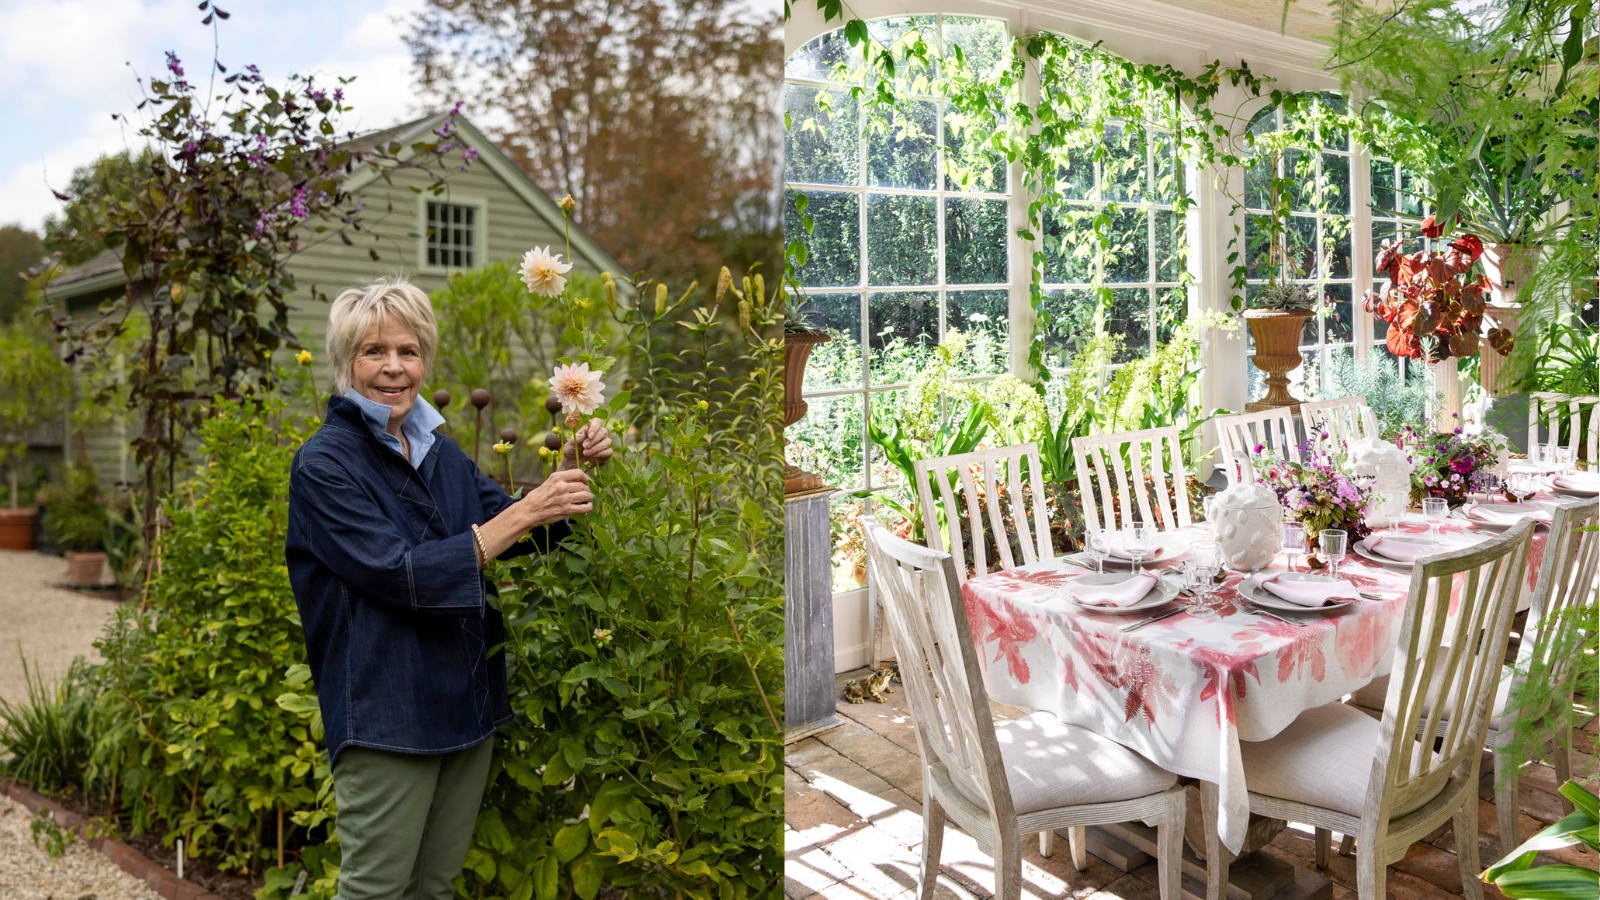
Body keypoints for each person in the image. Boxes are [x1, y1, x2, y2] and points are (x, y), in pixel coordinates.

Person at [285, 277, 611, 899]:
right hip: (386, 710)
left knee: (433, 887)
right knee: (376, 890)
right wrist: (526, 511)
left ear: (424, 359)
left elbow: (522, 532)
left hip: (465, 700)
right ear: (345, 363)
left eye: (408, 351)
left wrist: (569, 475)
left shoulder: (438, 451)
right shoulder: (326, 464)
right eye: (374, 351)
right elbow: (398, 572)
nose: (393, 367)